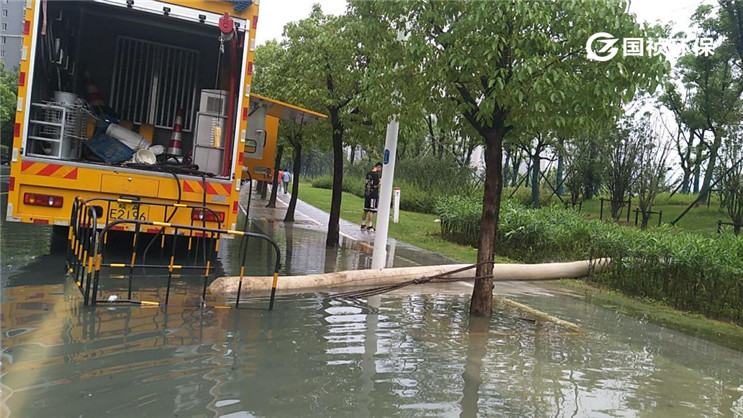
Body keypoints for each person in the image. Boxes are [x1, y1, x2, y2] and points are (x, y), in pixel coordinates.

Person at [361, 162, 382, 231]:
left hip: (367, 193)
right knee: (372, 210)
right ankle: (370, 225)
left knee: (365, 209)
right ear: (378, 167)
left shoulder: (368, 173)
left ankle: (363, 224)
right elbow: (375, 185)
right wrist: (380, 182)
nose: (380, 170)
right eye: (380, 168)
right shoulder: (376, 175)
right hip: (373, 194)